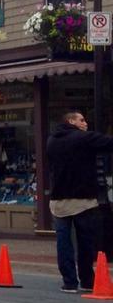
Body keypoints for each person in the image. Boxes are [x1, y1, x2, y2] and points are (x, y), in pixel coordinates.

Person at [46, 111, 113, 293]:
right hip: (83, 198)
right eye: (81, 120)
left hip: (59, 198)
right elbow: (107, 143)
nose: (85, 123)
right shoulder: (82, 138)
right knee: (85, 242)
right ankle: (86, 280)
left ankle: (69, 281)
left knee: (63, 242)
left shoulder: (52, 141)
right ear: (71, 121)